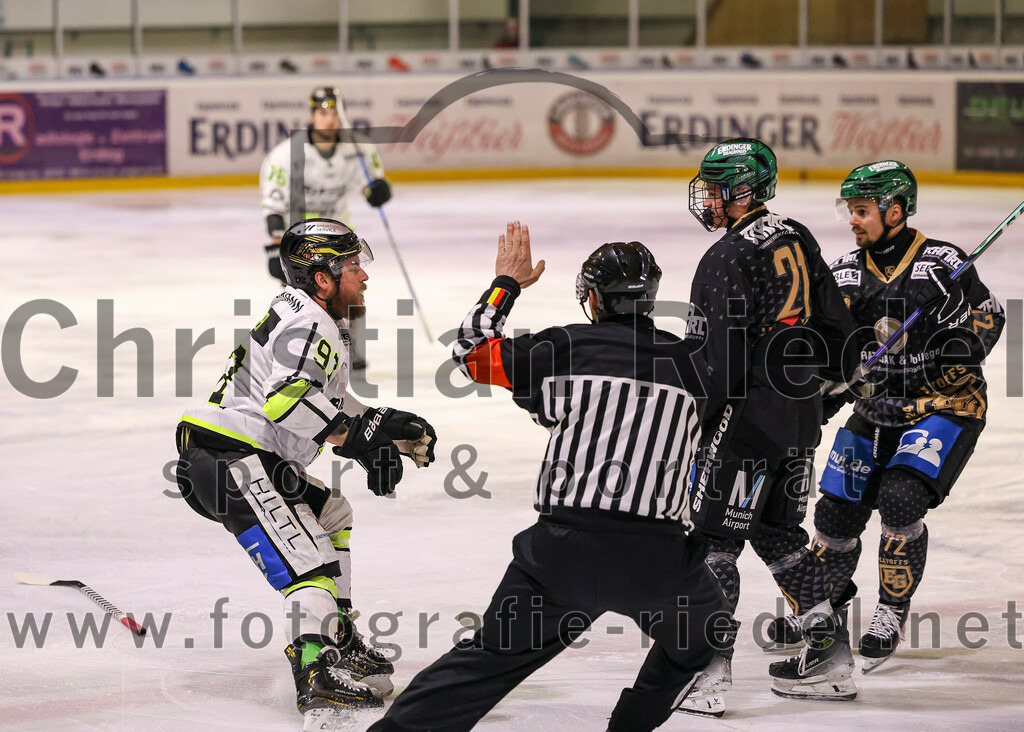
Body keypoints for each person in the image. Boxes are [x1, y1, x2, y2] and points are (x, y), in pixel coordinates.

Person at [368, 223, 729, 732]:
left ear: (593, 298)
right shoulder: (696, 367)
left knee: (485, 662)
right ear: (649, 298)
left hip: (561, 555)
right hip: (660, 563)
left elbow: (471, 352)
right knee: (705, 636)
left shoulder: (561, 347)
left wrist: (505, 284)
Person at [174, 219, 436, 727]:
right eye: (354, 265)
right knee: (308, 561)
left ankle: (337, 634)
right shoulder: (310, 322)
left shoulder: (305, 313)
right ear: (322, 277)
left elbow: (322, 398)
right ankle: (315, 671)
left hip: (235, 455)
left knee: (332, 512)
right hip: (233, 456)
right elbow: (285, 399)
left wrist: (386, 432)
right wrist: (359, 440)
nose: (364, 276)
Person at [805, 160, 1005, 671]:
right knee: (834, 512)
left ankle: (890, 610)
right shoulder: (846, 274)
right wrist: (827, 387)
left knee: (899, 497)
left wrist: (957, 335)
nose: (853, 220)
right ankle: (828, 598)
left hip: (944, 405)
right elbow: (833, 351)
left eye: (863, 211)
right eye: (850, 210)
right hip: (878, 407)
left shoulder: (943, 263)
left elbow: (992, 316)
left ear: (895, 211)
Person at [681, 138, 859, 710]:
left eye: (714, 188)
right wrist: (836, 379)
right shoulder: (796, 233)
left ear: (743, 191)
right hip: (798, 416)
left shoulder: (726, 257)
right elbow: (836, 320)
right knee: (780, 537)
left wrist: (699, 423)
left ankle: (704, 672)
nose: (706, 198)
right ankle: (830, 660)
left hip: (746, 420)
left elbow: (721, 359)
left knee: (714, 542)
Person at [259, 86, 392, 369]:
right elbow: (274, 203)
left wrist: (378, 191)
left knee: (350, 290)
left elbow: (372, 185)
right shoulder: (286, 154)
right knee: (303, 301)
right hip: (302, 240)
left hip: (341, 237)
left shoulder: (357, 150)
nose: (328, 119)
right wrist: (274, 247)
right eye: (322, 112)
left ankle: (349, 348)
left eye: (333, 112)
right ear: (311, 115)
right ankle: (295, 349)